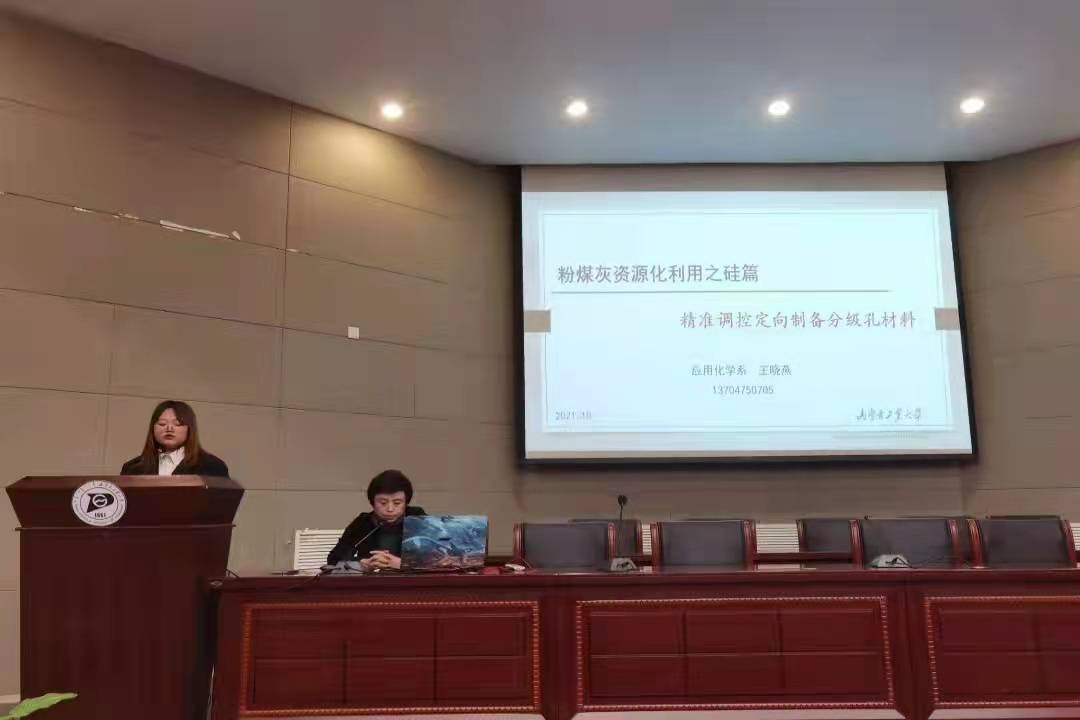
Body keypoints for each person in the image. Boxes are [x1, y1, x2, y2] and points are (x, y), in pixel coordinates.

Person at [326, 469, 425, 570]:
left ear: (406, 503)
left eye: (397, 503)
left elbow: (435, 560)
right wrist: (361, 564)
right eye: (383, 503)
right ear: (372, 502)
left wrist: (402, 564)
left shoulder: (417, 518)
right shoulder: (362, 522)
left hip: (410, 579)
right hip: (371, 579)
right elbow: (333, 559)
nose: (390, 509)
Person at [120, 400, 230, 477]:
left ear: (189, 429)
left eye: (177, 424)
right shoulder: (132, 468)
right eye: (162, 424)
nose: (169, 428)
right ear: (152, 429)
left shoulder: (212, 466)